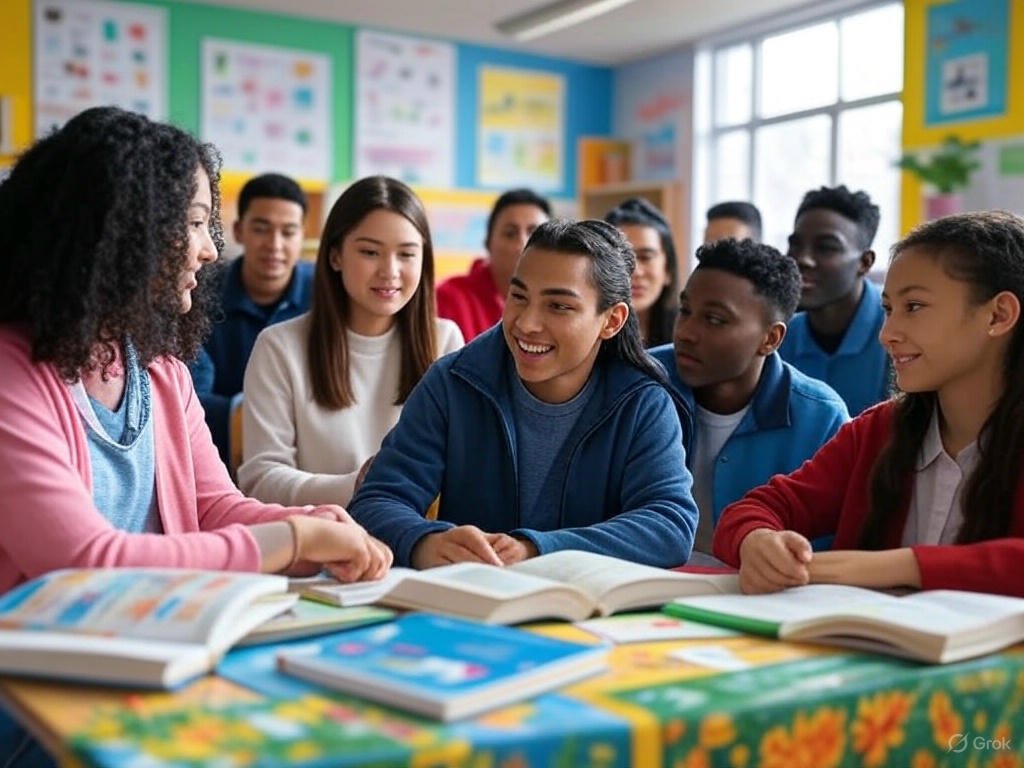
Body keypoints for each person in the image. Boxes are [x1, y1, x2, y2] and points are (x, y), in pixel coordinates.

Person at [0, 106, 390, 767]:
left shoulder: (157, 365)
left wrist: (311, 521)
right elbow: (84, 564)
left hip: (147, 659)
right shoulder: (12, 371)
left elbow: (214, 505)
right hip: (34, 706)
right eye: (191, 223)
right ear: (118, 230)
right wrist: (294, 540)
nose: (210, 249)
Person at [351, 219, 698, 569]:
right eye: (518, 296)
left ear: (611, 321)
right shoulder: (452, 382)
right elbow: (376, 501)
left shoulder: (643, 402)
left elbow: (669, 525)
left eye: (558, 306)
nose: (526, 323)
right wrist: (424, 543)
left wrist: (537, 549)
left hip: (586, 600)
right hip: (472, 595)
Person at [713, 211, 1024, 598]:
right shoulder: (877, 431)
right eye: (889, 309)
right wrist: (756, 540)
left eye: (914, 307)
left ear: (998, 315)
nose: (887, 334)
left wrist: (896, 566)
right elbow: (756, 509)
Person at [238, 177, 463, 507]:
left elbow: (462, 469)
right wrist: (356, 485)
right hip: (318, 533)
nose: (390, 271)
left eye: (406, 254)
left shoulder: (445, 341)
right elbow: (261, 479)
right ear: (335, 256)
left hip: (418, 533)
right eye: (370, 252)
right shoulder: (279, 347)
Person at [649, 239, 849, 564]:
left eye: (714, 319)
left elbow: (826, 547)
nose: (685, 332)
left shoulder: (822, 418)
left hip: (761, 586)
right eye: (685, 311)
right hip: (644, 576)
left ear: (771, 338)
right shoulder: (642, 381)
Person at [190, 172, 314, 463]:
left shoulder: (328, 295)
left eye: (288, 232)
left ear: (302, 236)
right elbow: (189, 401)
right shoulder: (198, 291)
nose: (274, 244)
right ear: (238, 230)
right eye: (261, 229)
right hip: (216, 458)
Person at [777, 185, 889, 415]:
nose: (803, 259)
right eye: (795, 244)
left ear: (864, 263)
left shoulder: (898, 333)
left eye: (826, 248)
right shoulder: (778, 337)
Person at [436, 188, 551, 341]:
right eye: (510, 234)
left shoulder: (564, 303)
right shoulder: (448, 299)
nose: (522, 244)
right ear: (488, 243)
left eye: (534, 234)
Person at [604, 197, 679, 347]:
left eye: (646, 257)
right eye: (623, 257)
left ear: (668, 269)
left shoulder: (686, 338)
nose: (636, 271)